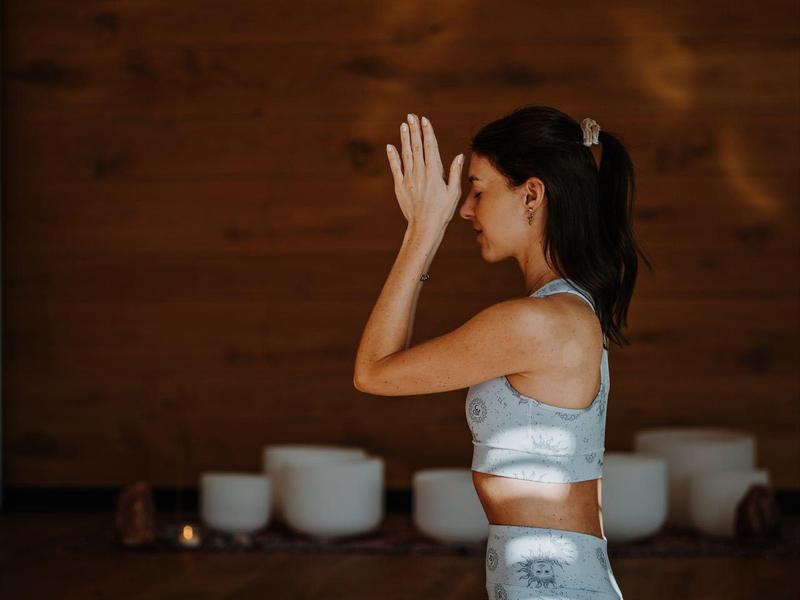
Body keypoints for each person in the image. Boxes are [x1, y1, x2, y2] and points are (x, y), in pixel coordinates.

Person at [354, 105, 652, 599]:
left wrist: (422, 234)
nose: (466, 209)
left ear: (531, 194)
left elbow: (372, 372)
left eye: (478, 189)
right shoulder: (563, 310)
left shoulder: (532, 324)